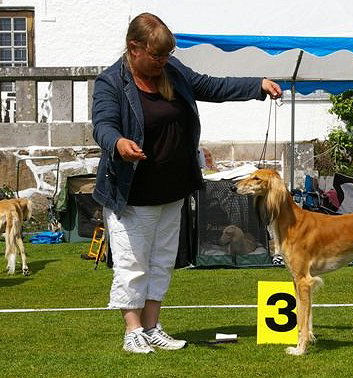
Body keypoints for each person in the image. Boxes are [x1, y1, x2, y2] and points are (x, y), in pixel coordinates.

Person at [91, 13, 282, 354]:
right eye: (156, 56)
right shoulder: (111, 82)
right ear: (134, 48)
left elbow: (212, 86)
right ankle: (132, 330)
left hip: (172, 188)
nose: (162, 62)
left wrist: (257, 86)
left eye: (165, 55)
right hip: (132, 193)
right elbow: (103, 124)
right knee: (132, 262)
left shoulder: (173, 71)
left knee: (163, 260)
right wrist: (118, 143)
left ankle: (152, 327)